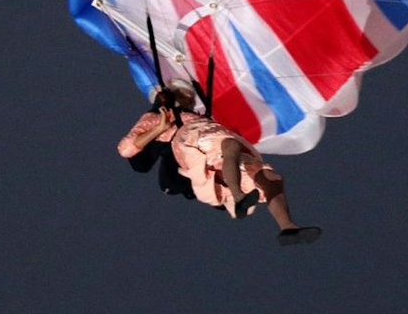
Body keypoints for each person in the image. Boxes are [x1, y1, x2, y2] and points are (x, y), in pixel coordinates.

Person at [118, 81, 323, 246]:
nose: (188, 98)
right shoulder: (156, 118)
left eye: (189, 95)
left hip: (216, 147)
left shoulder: (202, 115)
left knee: (269, 178)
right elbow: (126, 149)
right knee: (229, 145)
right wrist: (161, 126)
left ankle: (288, 227)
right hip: (190, 142)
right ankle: (238, 196)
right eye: (182, 93)